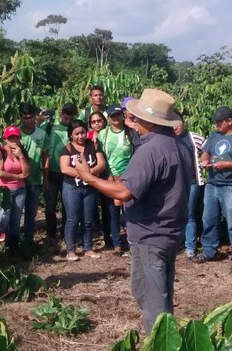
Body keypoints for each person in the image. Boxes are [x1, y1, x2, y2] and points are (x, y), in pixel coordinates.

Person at [73, 88, 191, 334]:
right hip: (170, 232)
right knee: (160, 292)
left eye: (136, 118)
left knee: (152, 302)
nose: (133, 123)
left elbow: (124, 192)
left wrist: (88, 177)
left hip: (151, 234)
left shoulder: (150, 150)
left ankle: (160, 342)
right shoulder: (179, 145)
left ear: (149, 121)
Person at [192, 106, 232, 273]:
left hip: (231, 185)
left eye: (219, 122)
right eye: (215, 122)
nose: (216, 125)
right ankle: (209, 251)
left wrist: (228, 165)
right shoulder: (214, 136)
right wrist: (205, 161)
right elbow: (205, 152)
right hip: (212, 183)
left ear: (229, 121)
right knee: (208, 219)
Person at [60, 120, 106, 260]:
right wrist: (84, 174)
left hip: (90, 188)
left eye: (83, 133)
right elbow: (65, 168)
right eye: (77, 134)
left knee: (87, 220)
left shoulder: (93, 146)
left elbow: (102, 164)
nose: (80, 136)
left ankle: (88, 247)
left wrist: (89, 173)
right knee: (72, 219)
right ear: (71, 135)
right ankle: (71, 250)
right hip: (71, 187)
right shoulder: (67, 148)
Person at [97, 104, 136, 254]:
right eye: (113, 116)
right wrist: (108, 175)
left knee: (129, 211)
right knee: (112, 211)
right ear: (109, 117)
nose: (116, 118)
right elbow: (101, 156)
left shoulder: (130, 133)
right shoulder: (103, 134)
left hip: (127, 177)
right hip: (110, 177)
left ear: (123, 115)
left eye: (118, 115)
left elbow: (134, 155)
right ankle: (116, 243)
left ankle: (132, 241)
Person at [0, 126, 31, 256]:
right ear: (5, 139)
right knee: (2, 221)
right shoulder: (0, 152)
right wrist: (17, 176)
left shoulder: (21, 152)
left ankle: (12, 250)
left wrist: (21, 156)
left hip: (19, 189)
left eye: (16, 138)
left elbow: (27, 172)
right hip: (3, 190)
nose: (13, 141)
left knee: (16, 221)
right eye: (10, 138)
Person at [43, 103, 79, 240]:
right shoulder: (51, 126)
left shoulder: (74, 130)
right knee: (50, 204)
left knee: (67, 204)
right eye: (65, 118)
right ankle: (51, 232)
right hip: (51, 172)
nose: (68, 122)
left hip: (68, 173)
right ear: (61, 114)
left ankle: (66, 232)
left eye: (70, 119)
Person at [173, 112, 205, 259]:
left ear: (183, 123)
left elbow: (208, 149)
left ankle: (190, 247)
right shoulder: (168, 139)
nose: (175, 128)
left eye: (177, 124)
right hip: (174, 183)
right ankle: (176, 243)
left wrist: (205, 160)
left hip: (192, 182)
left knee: (189, 214)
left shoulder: (193, 137)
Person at [19, 103, 48, 246]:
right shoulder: (16, 134)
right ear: (20, 118)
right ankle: (13, 242)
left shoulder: (41, 134)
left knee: (31, 213)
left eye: (31, 117)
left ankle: (28, 241)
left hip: (34, 180)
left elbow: (45, 156)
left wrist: (46, 177)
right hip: (17, 181)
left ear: (35, 117)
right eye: (25, 118)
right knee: (16, 213)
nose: (28, 120)